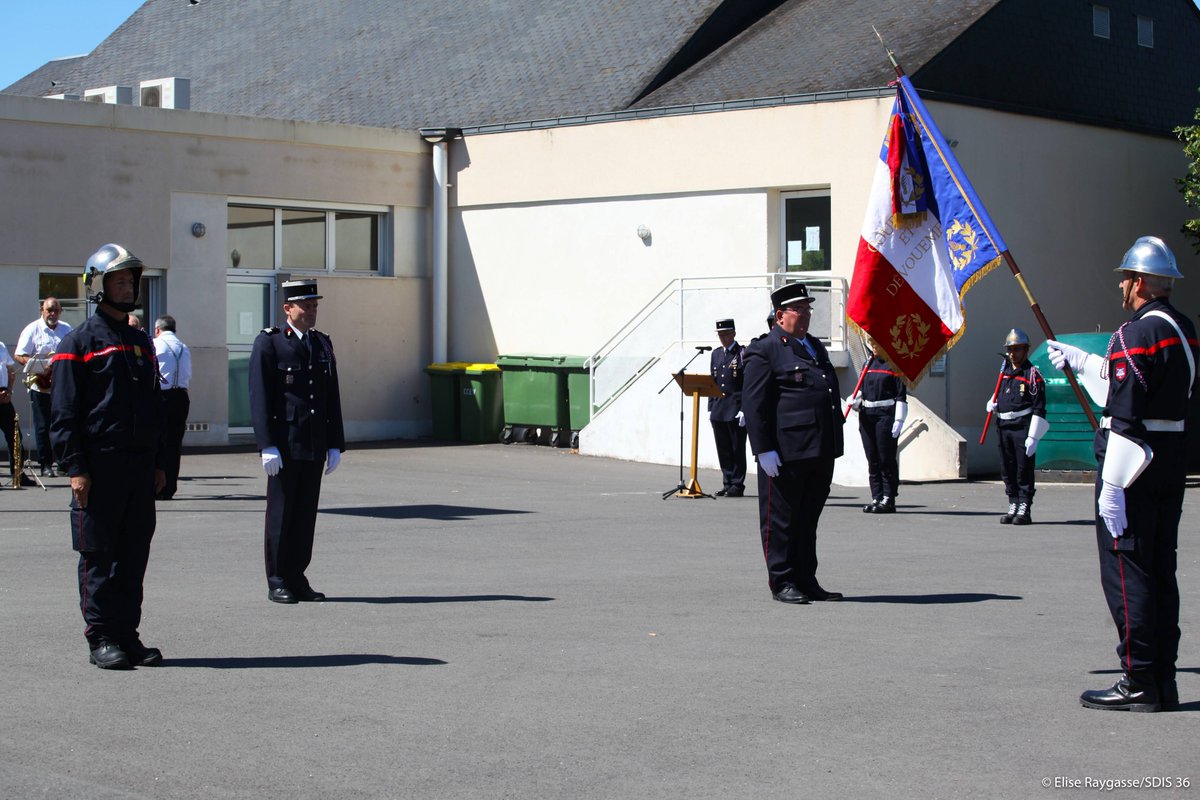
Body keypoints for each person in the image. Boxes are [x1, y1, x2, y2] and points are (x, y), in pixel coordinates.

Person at [1047, 236, 1196, 713]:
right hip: (1170, 457)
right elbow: (1143, 390)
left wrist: (1111, 485)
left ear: (1137, 282)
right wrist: (1088, 362)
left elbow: (1126, 412)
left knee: (1127, 573)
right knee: (1159, 572)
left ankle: (1137, 680)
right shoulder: (1183, 328)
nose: (1121, 287)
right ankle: (1163, 679)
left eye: (1124, 279)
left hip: (1132, 465)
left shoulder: (1134, 333)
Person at [49, 244, 165, 669]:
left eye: (131, 280)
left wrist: (159, 463)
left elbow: (153, 407)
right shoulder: (77, 342)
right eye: (118, 280)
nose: (127, 286)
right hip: (99, 469)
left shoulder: (140, 342)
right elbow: (63, 413)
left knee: (133, 557)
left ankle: (126, 634)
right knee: (98, 556)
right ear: (97, 285)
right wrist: (76, 468)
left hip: (138, 469)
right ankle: (100, 638)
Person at [742, 283, 844, 604]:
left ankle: (805, 578)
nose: (806, 314)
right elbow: (754, 403)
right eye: (798, 309)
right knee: (780, 520)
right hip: (784, 453)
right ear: (779, 315)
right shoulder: (766, 349)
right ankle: (782, 580)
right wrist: (763, 449)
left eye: (807, 308)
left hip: (818, 449)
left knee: (807, 519)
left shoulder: (814, 346)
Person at [249, 279, 345, 605]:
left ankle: (297, 575)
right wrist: (266, 444)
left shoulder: (322, 344)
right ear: (288, 308)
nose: (312, 310)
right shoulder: (271, 344)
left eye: (315, 305)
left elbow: (331, 396)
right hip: (285, 444)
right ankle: (277, 578)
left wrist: (335, 443)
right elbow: (260, 397)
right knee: (282, 514)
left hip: (314, 442)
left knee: (305, 515)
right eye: (306, 305)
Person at [985, 329, 1048, 525]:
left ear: (1026, 350)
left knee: (1023, 470)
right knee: (1007, 468)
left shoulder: (1032, 375)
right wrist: (993, 404)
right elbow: (1001, 395)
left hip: (1022, 427)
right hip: (1003, 425)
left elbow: (1039, 407)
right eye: (1010, 349)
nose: (1013, 353)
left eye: (1017, 349)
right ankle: (1013, 502)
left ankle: (1024, 507)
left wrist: (1034, 436)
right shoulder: (1004, 373)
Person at [14, 297, 72, 476]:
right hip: (40, 385)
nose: (52, 314)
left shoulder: (67, 329)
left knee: (62, 424)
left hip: (61, 385)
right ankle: (46, 464)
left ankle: (62, 462)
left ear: (60, 311)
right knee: (42, 426)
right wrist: (40, 367)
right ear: (42, 310)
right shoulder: (32, 329)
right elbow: (19, 354)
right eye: (49, 310)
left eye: (56, 310)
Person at [851, 342, 907, 513]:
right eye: (873, 343)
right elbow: (862, 389)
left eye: (878, 343)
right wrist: (854, 400)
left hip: (885, 414)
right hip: (867, 414)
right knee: (872, 458)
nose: (875, 346)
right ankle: (877, 496)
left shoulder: (895, 365)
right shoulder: (867, 363)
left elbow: (900, 395)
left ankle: (888, 497)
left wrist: (899, 419)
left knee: (885, 458)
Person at [153, 315, 191, 500]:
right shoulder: (183, 347)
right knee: (175, 444)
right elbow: (187, 373)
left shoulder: (156, 344)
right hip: (181, 396)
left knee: (158, 440)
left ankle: (157, 486)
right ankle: (170, 487)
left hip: (163, 395)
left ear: (158, 329)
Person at [709, 319, 746, 497]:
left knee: (736, 448)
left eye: (726, 334)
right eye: (720, 335)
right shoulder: (716, 354)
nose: (723, 338)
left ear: (734, 334)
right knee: (722, 448)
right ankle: (727, 481)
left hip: (735, 408)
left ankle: (737, 484)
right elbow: (713, 381)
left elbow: (747, 383)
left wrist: (744, 408)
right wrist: (711, 406)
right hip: (719, 408)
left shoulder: (742, 353)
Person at [0, 340, 16, 478]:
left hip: (4, 396)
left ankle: (18, 474)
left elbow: (11, 371)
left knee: (16, 437)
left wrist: (9, 390)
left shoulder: (2, 346)